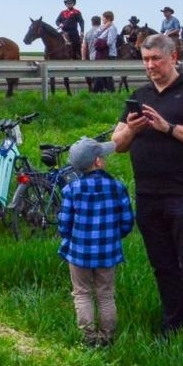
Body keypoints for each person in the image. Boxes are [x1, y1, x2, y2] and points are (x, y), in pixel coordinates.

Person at [111, 33, 183, 337]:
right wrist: (132, 131)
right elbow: (117, 144)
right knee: (162, 265)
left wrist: (169, 128)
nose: (150, 65)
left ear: (173, 57)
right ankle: (173, 325)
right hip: (148, 195)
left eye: (155, 59)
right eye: (145, 59)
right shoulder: (140, 95)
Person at [57, 137, 135, 347]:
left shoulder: (71, 190)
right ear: (98, 162)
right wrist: (114, 236)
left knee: (82, 293)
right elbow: (127, 221)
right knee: (105, 294)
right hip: (107, 253)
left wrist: (69, 237)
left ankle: (88, 337)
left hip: (78, 253)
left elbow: (64, 224)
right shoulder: (117, 187)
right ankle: (107, 337)